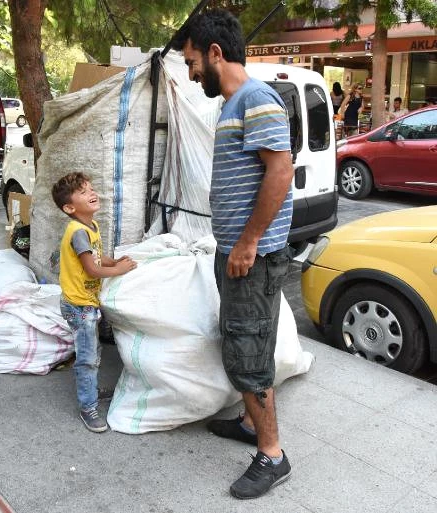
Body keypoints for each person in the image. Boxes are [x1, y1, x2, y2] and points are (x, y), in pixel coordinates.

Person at [171, 9, 294, 500]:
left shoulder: (255, 99)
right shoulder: (233, 104)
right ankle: (249, 420)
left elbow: (280, 173)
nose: (191, 71)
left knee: (246, 351)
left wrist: (246, 243)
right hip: (238, 254)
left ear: (215, 53)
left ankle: (272, 454)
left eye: (193, 61)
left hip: (252, 256)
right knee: (247, 340)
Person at [51, 172, 137, 433]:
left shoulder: (92, 227)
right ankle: (87, 407)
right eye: (83, 192)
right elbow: (93, 270)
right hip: (78, 306)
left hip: (87, 302)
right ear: (69, 207)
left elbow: (98, 259)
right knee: (87, 357)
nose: (91, 193)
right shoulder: (78, 232)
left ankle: (91, 390)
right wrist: (119, 270)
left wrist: (119, 261)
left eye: (90, 188)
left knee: (93, 352)